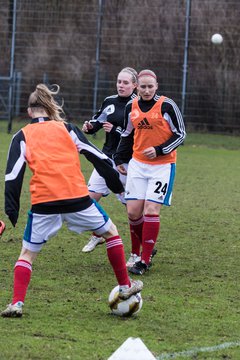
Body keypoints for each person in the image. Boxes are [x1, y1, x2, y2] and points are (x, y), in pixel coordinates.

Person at [1, 83, 143, 318]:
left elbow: (13, 175)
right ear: (49, 107)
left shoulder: (21, 135)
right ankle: (126, 287)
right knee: (110, 233)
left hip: (43, 202)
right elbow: (98, 157)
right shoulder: (67, 128)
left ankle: (16, 303)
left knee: (26, 254)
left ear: (29, 112)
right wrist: (116, 184)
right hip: (77, 198)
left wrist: (11, 208)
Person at [114, 69, 186, 275]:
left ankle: (144, 261)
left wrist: (159, 150)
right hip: (138, 164)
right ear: (137, 87)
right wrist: (120, 157)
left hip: (162, 166)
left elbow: (181, 134)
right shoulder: (131, 105)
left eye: (150, 87)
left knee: (151, 210)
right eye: (143, 87)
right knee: (132, 212)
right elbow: (127, 133)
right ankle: (147, 248)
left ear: (156, 86)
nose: (146, 91)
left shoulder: (166, 105)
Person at [81, 67, 138, 253]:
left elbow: (138, 134)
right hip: (105, 158)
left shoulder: (138, 105)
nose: (121, 85)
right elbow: (99, 120)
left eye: (126, 83)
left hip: (126, 162)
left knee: (133, 210)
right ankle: (99, 234)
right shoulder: (110, 101)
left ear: (135, 85)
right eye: (119, 82)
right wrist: (89, 126)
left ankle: (143, 247)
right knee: (89, 201)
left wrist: (115, 130)